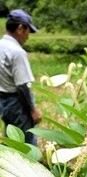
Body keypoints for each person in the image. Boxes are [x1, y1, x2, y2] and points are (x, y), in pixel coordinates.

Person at [0, 9, 42, 145]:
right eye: (28, 31)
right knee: (26, 141)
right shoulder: (17, 52)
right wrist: (33, 110)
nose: (28, 36)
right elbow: (22, 86)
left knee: (11, 135)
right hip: (17, 103)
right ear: (20, 29)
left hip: (3, 101)